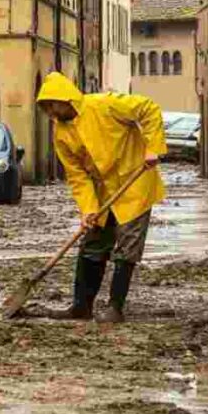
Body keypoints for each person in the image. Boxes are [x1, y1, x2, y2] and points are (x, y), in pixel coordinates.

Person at [35, 72, 167, 323]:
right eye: (46, 108)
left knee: (127, 247)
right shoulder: (61, 134)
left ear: (66, 98)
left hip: (135, 185)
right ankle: (81, 307)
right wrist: (87, 209)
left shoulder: (104, 105)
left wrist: (152, 147)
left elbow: (148, 109)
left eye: (52, 105)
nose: (51, 112)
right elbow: (77, 176)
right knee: (92, 245)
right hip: (102, 194)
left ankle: (115, 308)